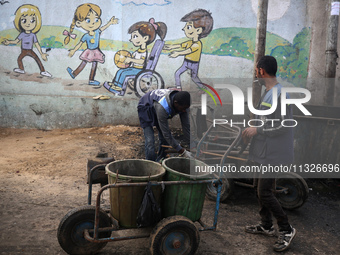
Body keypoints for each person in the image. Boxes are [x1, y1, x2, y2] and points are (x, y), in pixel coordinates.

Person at [242, 56, 296, 252]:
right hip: (264, 150)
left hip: (274, 152)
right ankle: (266, 225)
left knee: (264, 191)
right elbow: (267, 120)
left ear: (261, 71)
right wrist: (253, 127)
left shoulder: (279, 95)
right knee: (259, 187)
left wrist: (258, 130)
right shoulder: (268, 92)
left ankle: (286, 228)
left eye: (256, 70)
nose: (255, 73)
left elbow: (283, 125)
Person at [103, 18, 167, 96]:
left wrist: (131, 59)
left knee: (124, 73)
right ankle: (115, 85)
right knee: (120, 71)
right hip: (135, 68)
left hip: (139, 70)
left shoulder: (143, 51)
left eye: (135, 36)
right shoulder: (139, 50)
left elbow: (141, 61)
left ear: (145, 38)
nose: (131, 39)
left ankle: (119, 88)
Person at [65, 3, 118, 87]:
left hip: (96, 51)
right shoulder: (86, 36)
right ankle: (74, 73)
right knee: (84, 63)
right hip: (89, 51)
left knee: (94, 65)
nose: (93, 23)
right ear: (79, 23)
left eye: (96, 19)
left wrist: (110, 23)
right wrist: (73, 50)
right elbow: (79, 44)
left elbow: (103, 28)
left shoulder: (97, 31)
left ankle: (91, 79)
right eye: (88, 21)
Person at [164, 9, 213, 91]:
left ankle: (203, 88)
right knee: (177, 73)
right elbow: (181, 45)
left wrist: (178, 53)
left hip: (194, 64)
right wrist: (171, 46)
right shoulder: (190, 42)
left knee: (194, 77)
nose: (184, 29)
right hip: (186, 62)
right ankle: (178, 88)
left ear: (198, 30)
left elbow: (188, 51)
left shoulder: (197, 44)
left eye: (188, 27)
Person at [138, 89, 192, 161]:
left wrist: (191, 144)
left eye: (186, 108)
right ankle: (150, 164)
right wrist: (182, 151)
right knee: (150, 142)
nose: (184, 111)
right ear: (175, 103)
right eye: (183, 109)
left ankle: (160, 160)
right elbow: (166, 133)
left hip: (156, 107)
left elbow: (186, 127)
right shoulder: (162, 107)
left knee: (164, 139)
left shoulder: (183, 104)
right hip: (145, 108)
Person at [2, 4, 52, 77]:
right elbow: (16, 41)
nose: (28, 23)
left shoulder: (33, 35)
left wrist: (41, 53)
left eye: (32, 20)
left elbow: (37, 44)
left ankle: (43, 71)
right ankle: (21, 69)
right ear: (18, 21)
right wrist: (9, 42)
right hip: (23, 50)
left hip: (30, 50)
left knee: (37, 59)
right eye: (24, 20)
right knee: (19, 59)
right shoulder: (22, 34)